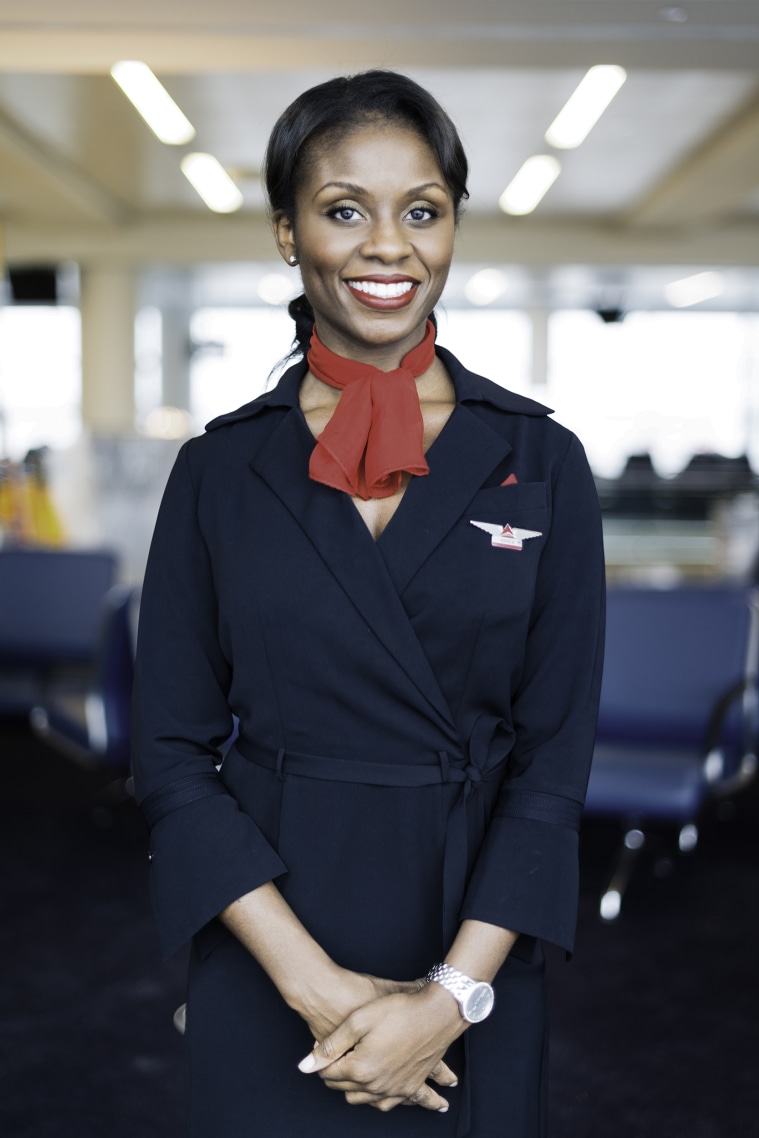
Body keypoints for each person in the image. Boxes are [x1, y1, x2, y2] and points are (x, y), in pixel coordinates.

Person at [132, 70, 605, 1138]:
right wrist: (320, 993)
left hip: (470, 927)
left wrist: (447, 1000)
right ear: (288, 235)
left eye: (421, 211)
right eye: (344, 209)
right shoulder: (220, 468)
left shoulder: (541, 457)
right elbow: (168, 751)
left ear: (452, 230)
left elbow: (554, 761)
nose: (387, 245)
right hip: (272, 927)